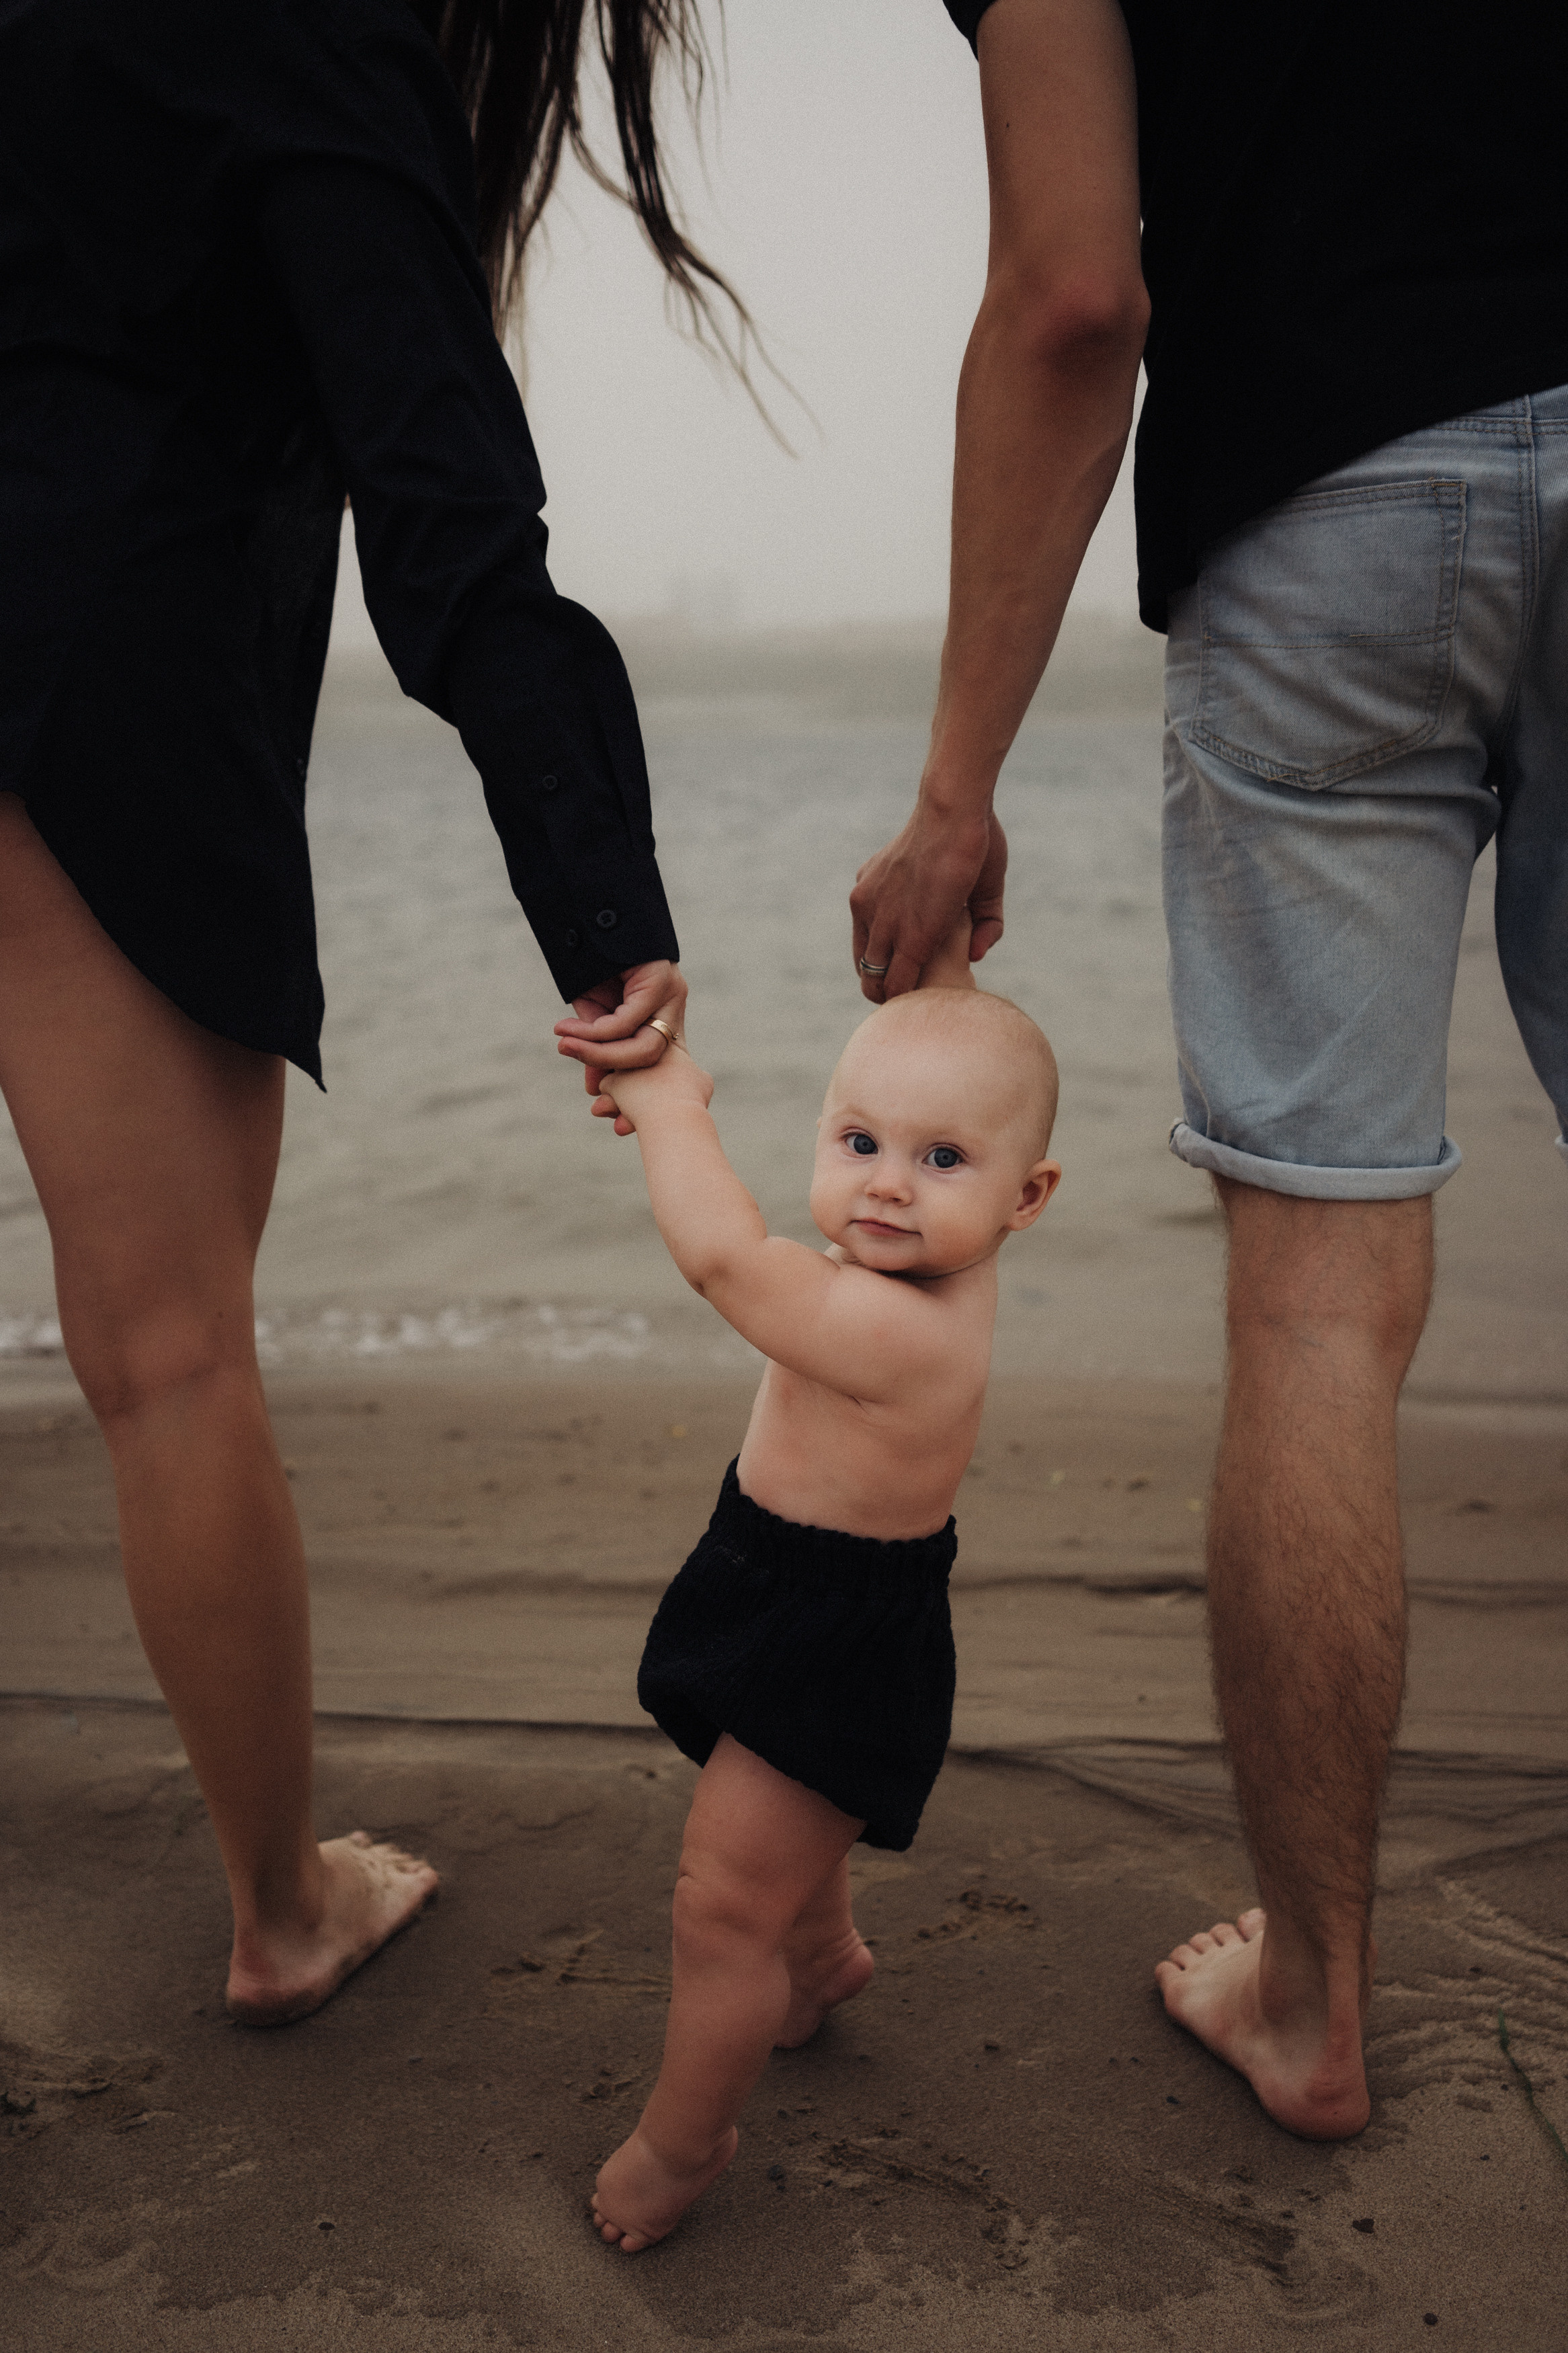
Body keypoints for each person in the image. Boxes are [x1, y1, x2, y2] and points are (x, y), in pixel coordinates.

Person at [848, 0, 1568, 2139]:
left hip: (1324, 494)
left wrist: (955, 786)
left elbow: (1072, 289)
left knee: (1317, 1305)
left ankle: (1312, 2005)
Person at [0, 0, 742, 2022]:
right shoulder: (302, 43)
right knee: (167, 1359)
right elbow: (448, 521)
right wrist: (599, 900)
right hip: (88, 699)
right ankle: (282, 1907)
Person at [552, 945, 1061, 2249]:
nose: (889, 1181)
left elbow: (725, 1258)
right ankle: (824, 1958)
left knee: (721, 1904)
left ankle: (685, 2139)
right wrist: (936, 972)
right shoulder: (910, 1271)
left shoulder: (900, 1327)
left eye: (944, 1159)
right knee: (785, 1825)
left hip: (838, 1633)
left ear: (1029, 1197)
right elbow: (931, 1102)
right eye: (859, 1137)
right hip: (782, 1570)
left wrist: (670, 1099)